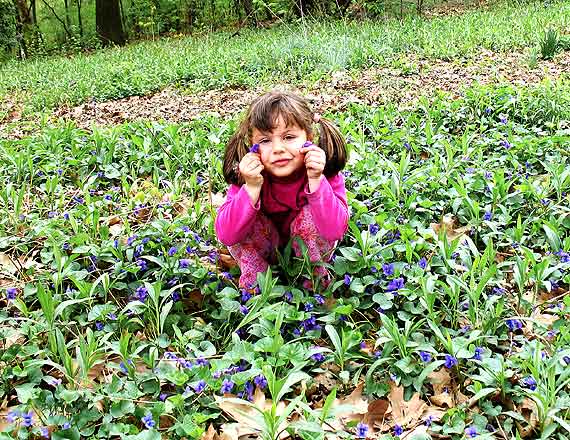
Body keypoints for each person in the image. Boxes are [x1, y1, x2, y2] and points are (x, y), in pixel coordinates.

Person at [215, 90, 349, 290]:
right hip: (265, 248)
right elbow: (227, 236)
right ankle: (258, 287)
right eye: (265, 141)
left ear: (308, 137)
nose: (278, 148)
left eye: (289, 137)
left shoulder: (324, 172)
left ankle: (314, 283)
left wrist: (316, 180)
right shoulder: (249, 176)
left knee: (311, 217)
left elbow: (334, 230)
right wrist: (250, 188)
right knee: (241, 215)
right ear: (253, 146)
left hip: (309, 250)